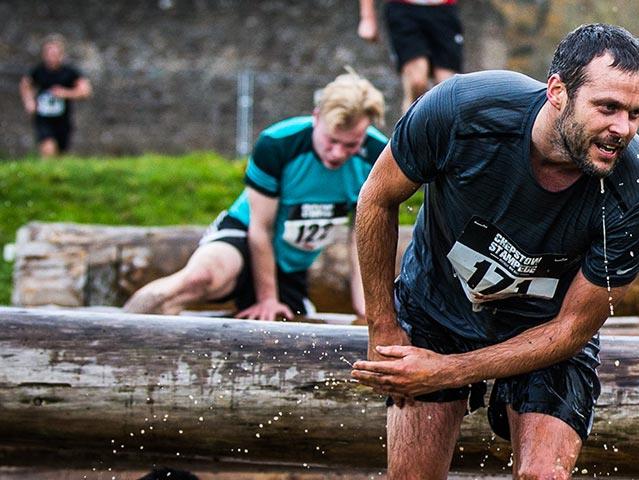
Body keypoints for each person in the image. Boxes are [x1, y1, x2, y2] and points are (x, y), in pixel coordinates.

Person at [349, 24, 639, 479]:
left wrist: (449, 372)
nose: (623, 129)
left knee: (543, 476)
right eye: (608, 108)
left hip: (547, 332)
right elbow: (376, 198)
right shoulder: (462, 112)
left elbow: (573, 327)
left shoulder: (637, 193)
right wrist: (382, 325)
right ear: (558, 91)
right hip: (435, 305)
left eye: (636, 113)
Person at [123, 73, 387, 321]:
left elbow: (362, 236)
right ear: (316, 118)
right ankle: (119, 327)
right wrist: (267, 298)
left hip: (289, 265)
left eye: (350, 145)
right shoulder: (278, 143)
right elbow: (260, 228)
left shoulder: (378, 155)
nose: (337, 153)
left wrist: (366, 308)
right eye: (331, 140)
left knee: (291, 326)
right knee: (198, 278)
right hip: (244, 235)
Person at [358, 0, 463, 114]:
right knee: (417, 81)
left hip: (444, 9)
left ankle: (443, 129)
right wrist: (367, 17)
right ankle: (409, 127)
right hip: (404, 8)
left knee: (448, 89)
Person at [18, 34, 91, 158]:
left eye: (54, 53)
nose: (51, 57)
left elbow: (85, 91)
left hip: (62, 118)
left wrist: (65, 93)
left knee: (60, 152)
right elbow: (25, 85)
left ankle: (54, 174)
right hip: (43, 117)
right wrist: (29, 102)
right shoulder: (38, 71)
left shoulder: (69, 72)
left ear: (61, 54)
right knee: (48, 146)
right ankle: (44, 174)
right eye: (48, 53)